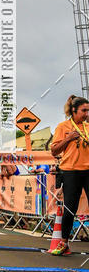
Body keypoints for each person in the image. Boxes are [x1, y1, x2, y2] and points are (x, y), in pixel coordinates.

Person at [49, 94, 89, 255]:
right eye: (83, 111)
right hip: (71, 171)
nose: (86, 114)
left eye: (88, 111)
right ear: (74, 111)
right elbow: (54, 150)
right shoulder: (63, 127)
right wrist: (69, 139)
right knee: (70, 208)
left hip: (88, 170)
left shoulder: (88, 126)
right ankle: (64, 243)